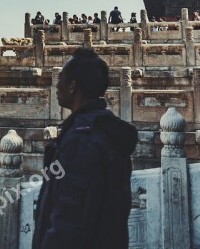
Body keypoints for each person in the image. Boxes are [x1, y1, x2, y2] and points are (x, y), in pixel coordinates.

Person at [33, 48, 138, 249]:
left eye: (61, 78)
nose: (57, 85)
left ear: (72, 86)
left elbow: (68, 222)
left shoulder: (83, 140)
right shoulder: (106, 130)